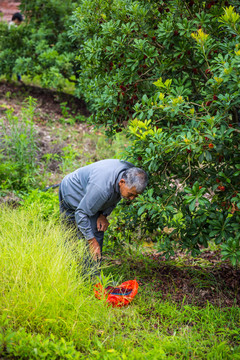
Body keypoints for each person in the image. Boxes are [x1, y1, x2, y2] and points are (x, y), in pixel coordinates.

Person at [59, 159, 148, 263]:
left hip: (91, 188)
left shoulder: (131, 173)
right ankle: (82, 273)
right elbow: (81, 213)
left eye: (136, 196)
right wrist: (91, 241)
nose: (132, 199)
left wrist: (103, 214)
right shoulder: (101, 189)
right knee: (72, 234)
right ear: (122, 182)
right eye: (131, 194)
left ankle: (92, 274)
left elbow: (116, 195)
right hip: (72, 189)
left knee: (98, 227)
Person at [8, 13, 23, 82]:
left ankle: (17, 78)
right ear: (16, 20)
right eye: (19, 22)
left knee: (15, 63)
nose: (20, 23)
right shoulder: (12, 26)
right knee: (13, 64)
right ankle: (14, 78)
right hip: (12, 48)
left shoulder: (12, 25)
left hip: (13, 47)